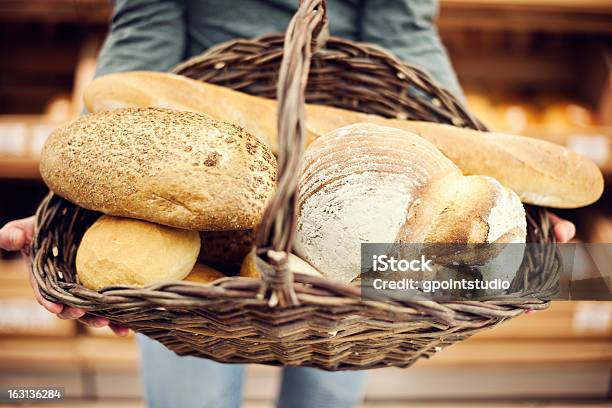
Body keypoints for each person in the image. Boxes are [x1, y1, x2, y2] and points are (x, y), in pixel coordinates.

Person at [0, 1, 577, 407]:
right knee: (190, 396)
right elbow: (144, 21)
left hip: (361, 160)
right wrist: (75, 197)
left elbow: (403, 28)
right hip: (197, 135)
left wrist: (503, 212)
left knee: (332, 380)